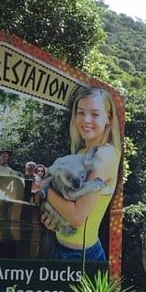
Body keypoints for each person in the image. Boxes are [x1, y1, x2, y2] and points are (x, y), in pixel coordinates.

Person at [41, 87, 121, 261]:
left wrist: (44, 189)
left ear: (108, 119)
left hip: (82, 257)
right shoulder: (82, 153)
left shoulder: (104, 155)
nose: (86, 120)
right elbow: (66, 203)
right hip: (62, 249)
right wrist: (53, 220)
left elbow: (77, 217)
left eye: (94, 114)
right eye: (81, 113)